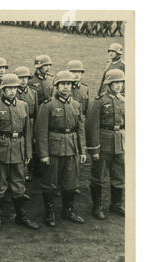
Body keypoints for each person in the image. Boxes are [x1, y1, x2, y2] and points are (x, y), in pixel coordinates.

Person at [0, 74, 39, 231]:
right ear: (3, 89)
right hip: (1, 150)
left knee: (19, 184)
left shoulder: (23, 105)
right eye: (9, 88)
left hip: (19, 150)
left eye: (14, 88)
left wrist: (28, 152)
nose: (12, 91)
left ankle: (21, 216)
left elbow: (28, 131)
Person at [36, 71, 87, 227]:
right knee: (50, 182)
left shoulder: (76, 104)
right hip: (54, 149)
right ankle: (49, 211)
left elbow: (80, 129)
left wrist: (82, 150)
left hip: (71, 148)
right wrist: (44, 154)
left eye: (68, 84)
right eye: (62, 84)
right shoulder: (48, 105)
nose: (66, 87)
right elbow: (41, 132)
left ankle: (68, 210)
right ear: (56, 86)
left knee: (70, 181)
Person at [86, 69, 125, 219]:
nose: (119, 85)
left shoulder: (123, 100)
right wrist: (94, 149)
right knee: (99, 175)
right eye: (115, 82)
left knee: (119, 174)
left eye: (121, 82)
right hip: (104, 142)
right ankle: (97, 206)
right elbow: (92, 126)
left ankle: (116, 204)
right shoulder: (100, 101)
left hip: (119, 142)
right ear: (108, 83)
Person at [15, 66, 39, 182]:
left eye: (25, 77)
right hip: (17, 126)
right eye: (20, 78)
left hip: (30, 124)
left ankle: (29, 171)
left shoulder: (33, 93)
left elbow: (36, 113)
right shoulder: (12, 92)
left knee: (30, 149)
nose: (23, 80)